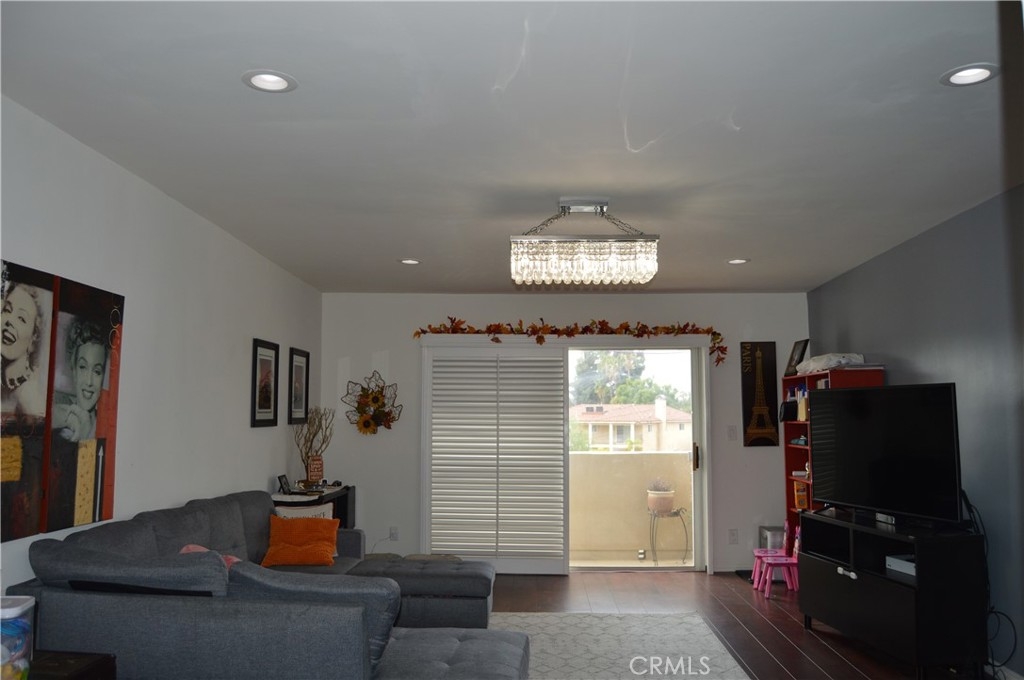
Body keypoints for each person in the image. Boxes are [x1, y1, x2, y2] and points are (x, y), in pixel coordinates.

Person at [52, 318, 108, 442]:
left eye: (97, 371)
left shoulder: (106, 428)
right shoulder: (59, 409)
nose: (89, 382)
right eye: (83, 367)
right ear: (74, 370)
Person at [1, 282, 48, 418]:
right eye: (7, 310)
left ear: (34, 338)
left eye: (21, 318)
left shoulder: (31, 400)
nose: (9, 321)